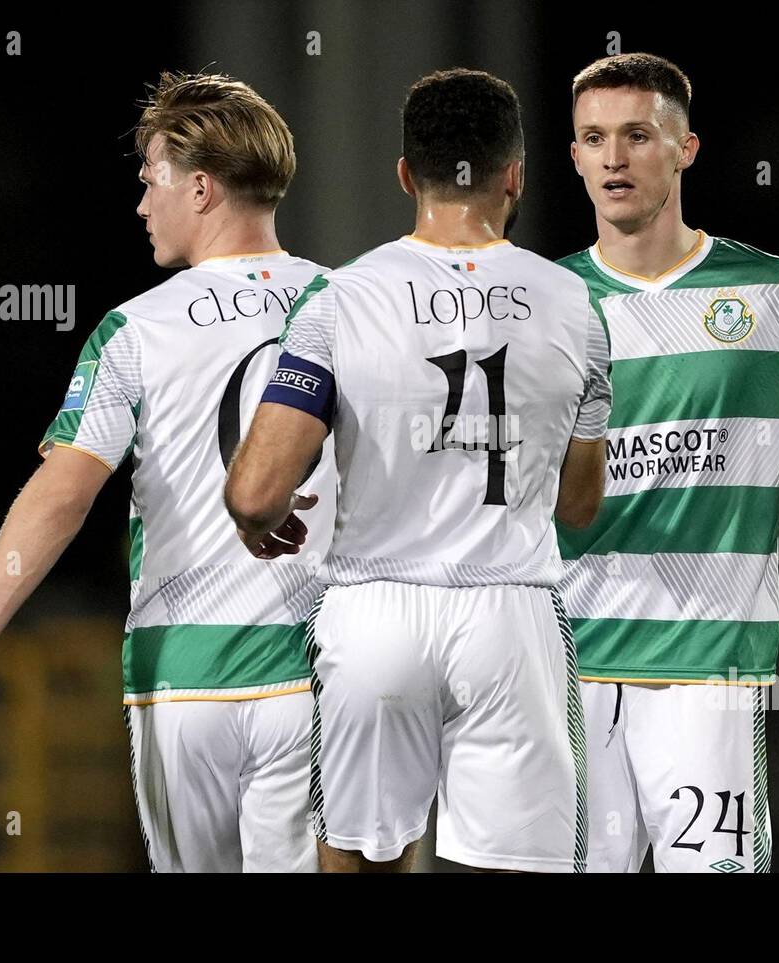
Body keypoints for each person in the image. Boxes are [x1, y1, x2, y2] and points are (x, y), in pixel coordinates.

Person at [0, 71, 334, 873]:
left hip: (187, 678)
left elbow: (61, 494)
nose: (140, 204)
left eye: (148, 180)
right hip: (321, 673)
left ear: (200, 188)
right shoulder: (353, 304)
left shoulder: (137, 329)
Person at [224, 68, 611, 872]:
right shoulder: (575, 304)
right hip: (511, 614)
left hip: (375, 613)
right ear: (515, 174)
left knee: (361, 861)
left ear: (406, 174)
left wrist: (259, 521)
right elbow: (579, 506)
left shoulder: (340, 300)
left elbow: (256, 490)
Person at [556, 53, 779, 873]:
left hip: (708, 670)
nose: (614, 158)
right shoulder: (547, 302)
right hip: (566, 665)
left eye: (637, 135)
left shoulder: (770, 291)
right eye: (594, 138)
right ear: (572, 156)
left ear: (685, 148)